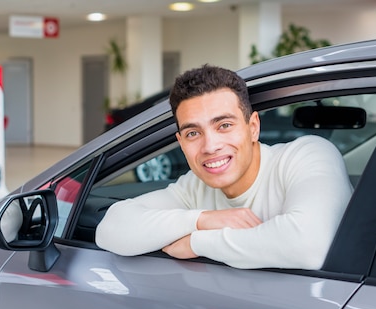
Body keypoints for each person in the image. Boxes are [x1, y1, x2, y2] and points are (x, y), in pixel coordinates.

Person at [95, 64, 353, 270]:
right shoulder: (194, 188)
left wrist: (198, 242)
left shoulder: (306, 155)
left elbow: (309, 246)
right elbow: (111, 229)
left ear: (253, 127)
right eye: (193, 133)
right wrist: (203, 220)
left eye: (224, 126)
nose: (210, 146)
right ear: (181, 143)